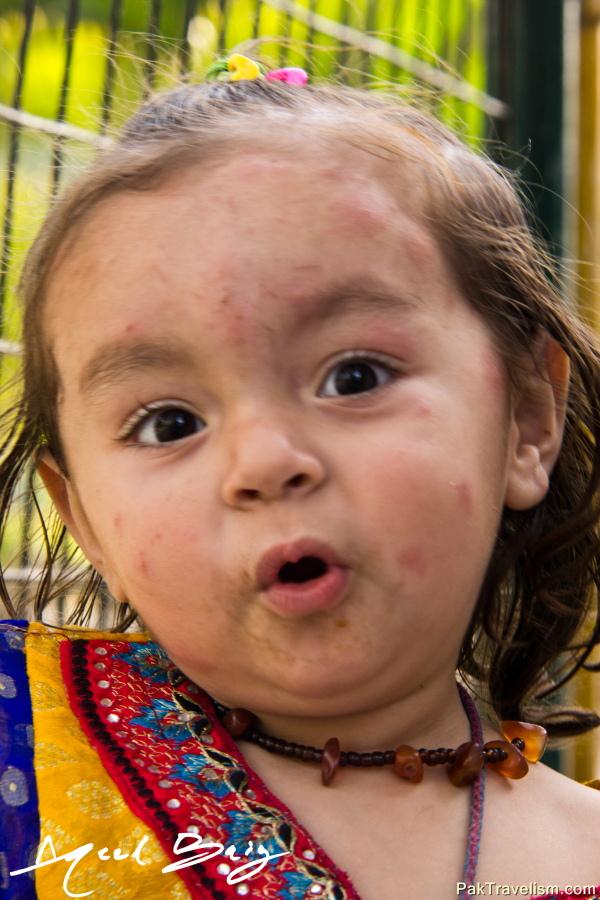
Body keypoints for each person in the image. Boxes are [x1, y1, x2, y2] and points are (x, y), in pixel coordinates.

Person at [0, 50, 599, 900]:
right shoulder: (24, 770)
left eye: (353, 377)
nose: (266, 462)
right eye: (169, 423)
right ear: (85, 518)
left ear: (527, 420)